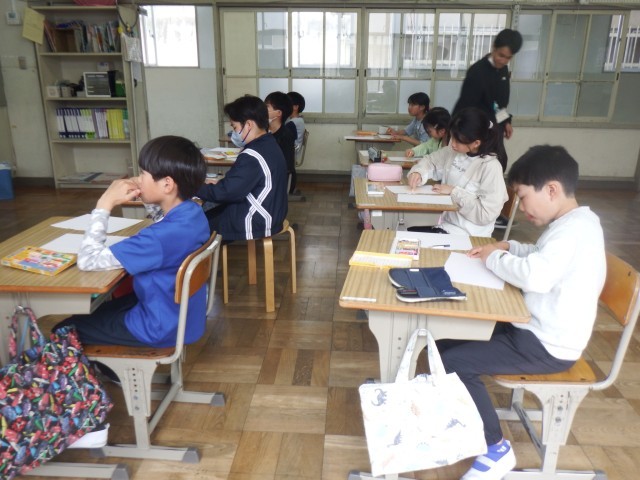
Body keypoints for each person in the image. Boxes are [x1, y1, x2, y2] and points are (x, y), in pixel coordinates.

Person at [438, 145, 606, 479]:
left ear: (552, 189)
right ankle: (463, 421)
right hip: (532, 327)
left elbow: (536, 275)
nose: (521, 205)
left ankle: (495, 448)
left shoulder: (574, 231)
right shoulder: (574, 224)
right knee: (444, 342)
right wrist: (508, 246)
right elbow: (540, 254)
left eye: (523, 196)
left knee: (454, 362)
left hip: (547, 345)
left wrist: (493, 258)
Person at [54, 135, 210, 349]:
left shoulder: (156, 239)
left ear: (167, 184)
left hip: (156, 326)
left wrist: (104, 204)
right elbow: (163, 218)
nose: (138, 178)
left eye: (143, 173)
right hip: (183, 316)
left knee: (63, 329)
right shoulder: (194, 212)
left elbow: (88, 260)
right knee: (97, 311)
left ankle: (99, 367)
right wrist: (147, 193)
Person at [197, 95, 288, 241]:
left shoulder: (252, 155)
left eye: (235, 127)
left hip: (258, 218)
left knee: (195, 226)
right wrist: (220, 185)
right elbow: (236, 185)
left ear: (249, 125)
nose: (234, 132)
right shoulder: (268, 143)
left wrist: (193, 187)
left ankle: (202, 254)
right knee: (206, 214)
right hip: (273, 213)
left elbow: (227, 192)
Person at [406, 107, 508, 237]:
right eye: (452, 137)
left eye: (457, 140)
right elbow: (430, 161)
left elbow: (486, 214)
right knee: (405, 231)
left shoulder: (490, 166)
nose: (452, 144)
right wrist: (418, 173)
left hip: (469, 235)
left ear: (476, 143)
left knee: (407, 237)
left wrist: (454, 191)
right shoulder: (454, 152)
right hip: (446, 225)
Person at [453, 28, 523, 164]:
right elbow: (465, 105)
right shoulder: (477, 72)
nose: (503, 61)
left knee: (500, 162)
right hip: (478, 132)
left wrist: (506, 121)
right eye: (501, 55)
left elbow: (498, 105)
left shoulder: (503, 70)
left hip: (495, 130)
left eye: (508, 58)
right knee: (480, 166)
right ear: (494, 47)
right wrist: (455, 132)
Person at [265, 91, 296, 195]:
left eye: (267, 107)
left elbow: (286, 166)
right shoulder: (264, 132)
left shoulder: (285, 136)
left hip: (278, 181)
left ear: (278, 113)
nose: (263, 110)